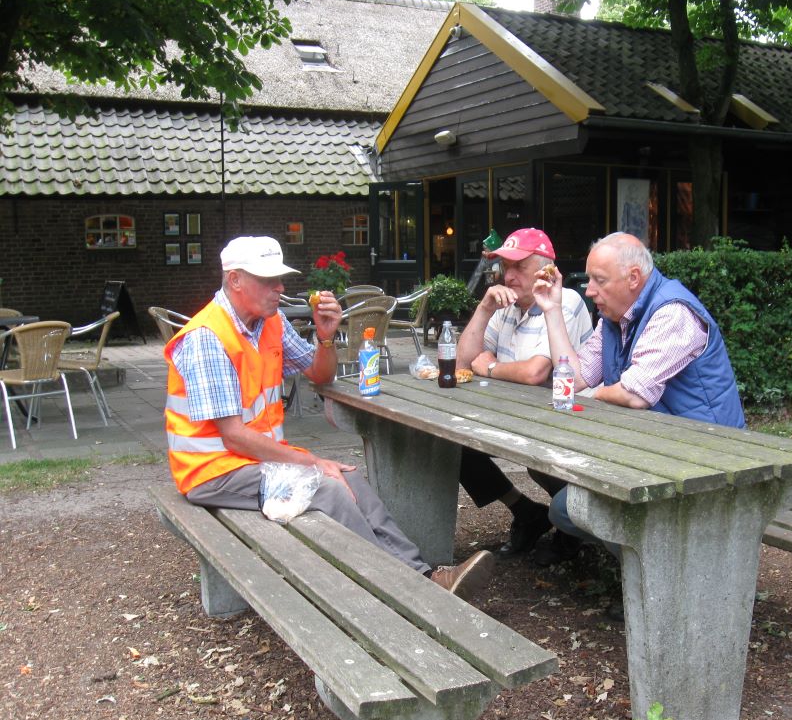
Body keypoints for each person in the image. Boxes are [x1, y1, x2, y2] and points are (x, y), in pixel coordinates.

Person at [163, 235, 494, 599]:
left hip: (252, 461)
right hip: (211, 472)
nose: (279, 288)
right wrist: (313, 462)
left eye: (279, 278)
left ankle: (423, 577)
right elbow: (234, 436)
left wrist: (325, 337)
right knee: (328, 488)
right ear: (235, 279)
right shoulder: (207, 338)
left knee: (349, 477)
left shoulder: (270, 322)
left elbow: (320, 375)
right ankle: (399, 591)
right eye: (268, 280)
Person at [531, 231, 745, 562]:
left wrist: (591, 397)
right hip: (661, 451)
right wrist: (552, 309)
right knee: (561, 496)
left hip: (710, 461)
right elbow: (572, 377)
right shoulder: (615, 318)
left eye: (599, 280)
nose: (589, 290)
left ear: (633, 278)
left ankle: (659, 575)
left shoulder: (673, 313)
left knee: (570, 507)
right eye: (589, 279)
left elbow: (634, 394)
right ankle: (650, 565)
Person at [455, 227, 594, 559]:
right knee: (451, 441)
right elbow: (462, 362)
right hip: (514, 415)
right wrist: (484, 309)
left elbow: (536, 372)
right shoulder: (505, 304)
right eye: (506, 266)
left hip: (565, 421)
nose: (509, 276)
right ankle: (526, 512)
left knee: (539, 465)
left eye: (519, 266)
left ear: (546, 270)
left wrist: (490, 367)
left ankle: (572, 530)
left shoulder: (565, 301)